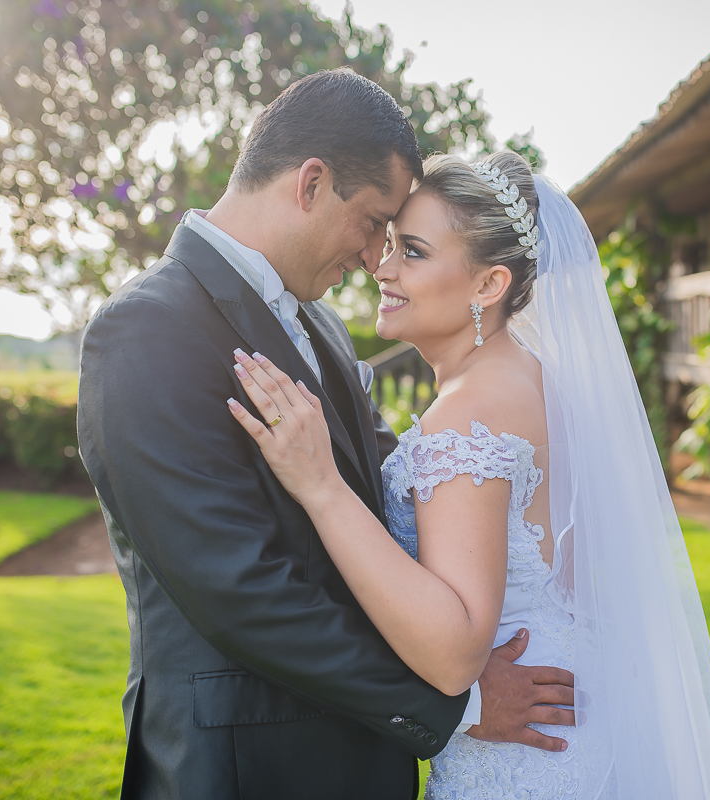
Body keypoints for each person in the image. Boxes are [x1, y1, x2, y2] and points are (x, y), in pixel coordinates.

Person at [77, 70, 573, 800]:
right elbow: (241, 589)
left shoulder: (325, 329)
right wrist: (459, 706)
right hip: (244, 769)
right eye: (376, 223)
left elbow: (385, 497)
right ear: (311, 184)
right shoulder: (145, 330)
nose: (376, 258)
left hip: (363, 759)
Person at [227, 151, 710, 799]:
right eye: (388, 245)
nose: (381, 269)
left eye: (412, 252)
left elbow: (454, 655)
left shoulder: (466, 418)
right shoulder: (538, 382)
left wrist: (322, 489)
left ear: (488, 285)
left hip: (521, 759)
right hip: (574, 724)